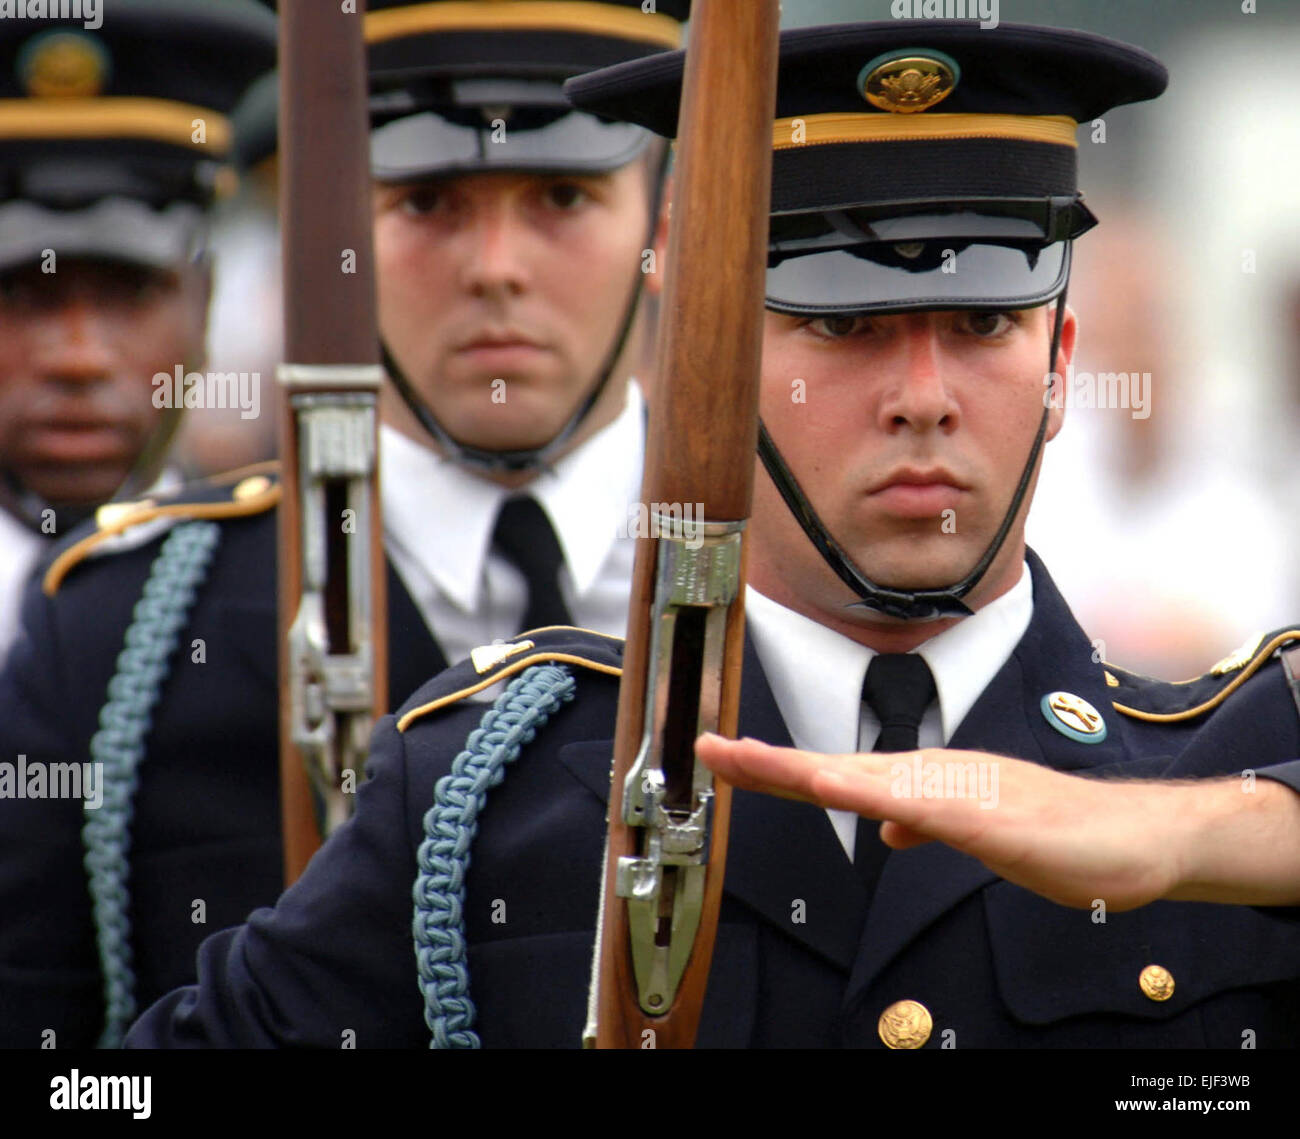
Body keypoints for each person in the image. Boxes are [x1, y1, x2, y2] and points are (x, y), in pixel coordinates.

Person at [124, 19, 1300, 1050]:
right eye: (843, 331)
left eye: (984, 319)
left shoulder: (1224, 771)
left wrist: (1198, 830)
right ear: (704, 368)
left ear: (1059, 364)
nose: (924, 393)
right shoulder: (478, 801)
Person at [0, 0, 684, 1049]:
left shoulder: (803, 606)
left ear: (662, 229)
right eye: (428, 201)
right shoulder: (112, 636)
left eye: (561, 194)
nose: (495, 265)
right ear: (335, 230)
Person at [0, 1, 276, 661]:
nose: (79, 357)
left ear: (204, 305)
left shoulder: (293, 605)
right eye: (20, 295)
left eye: (131, 293)